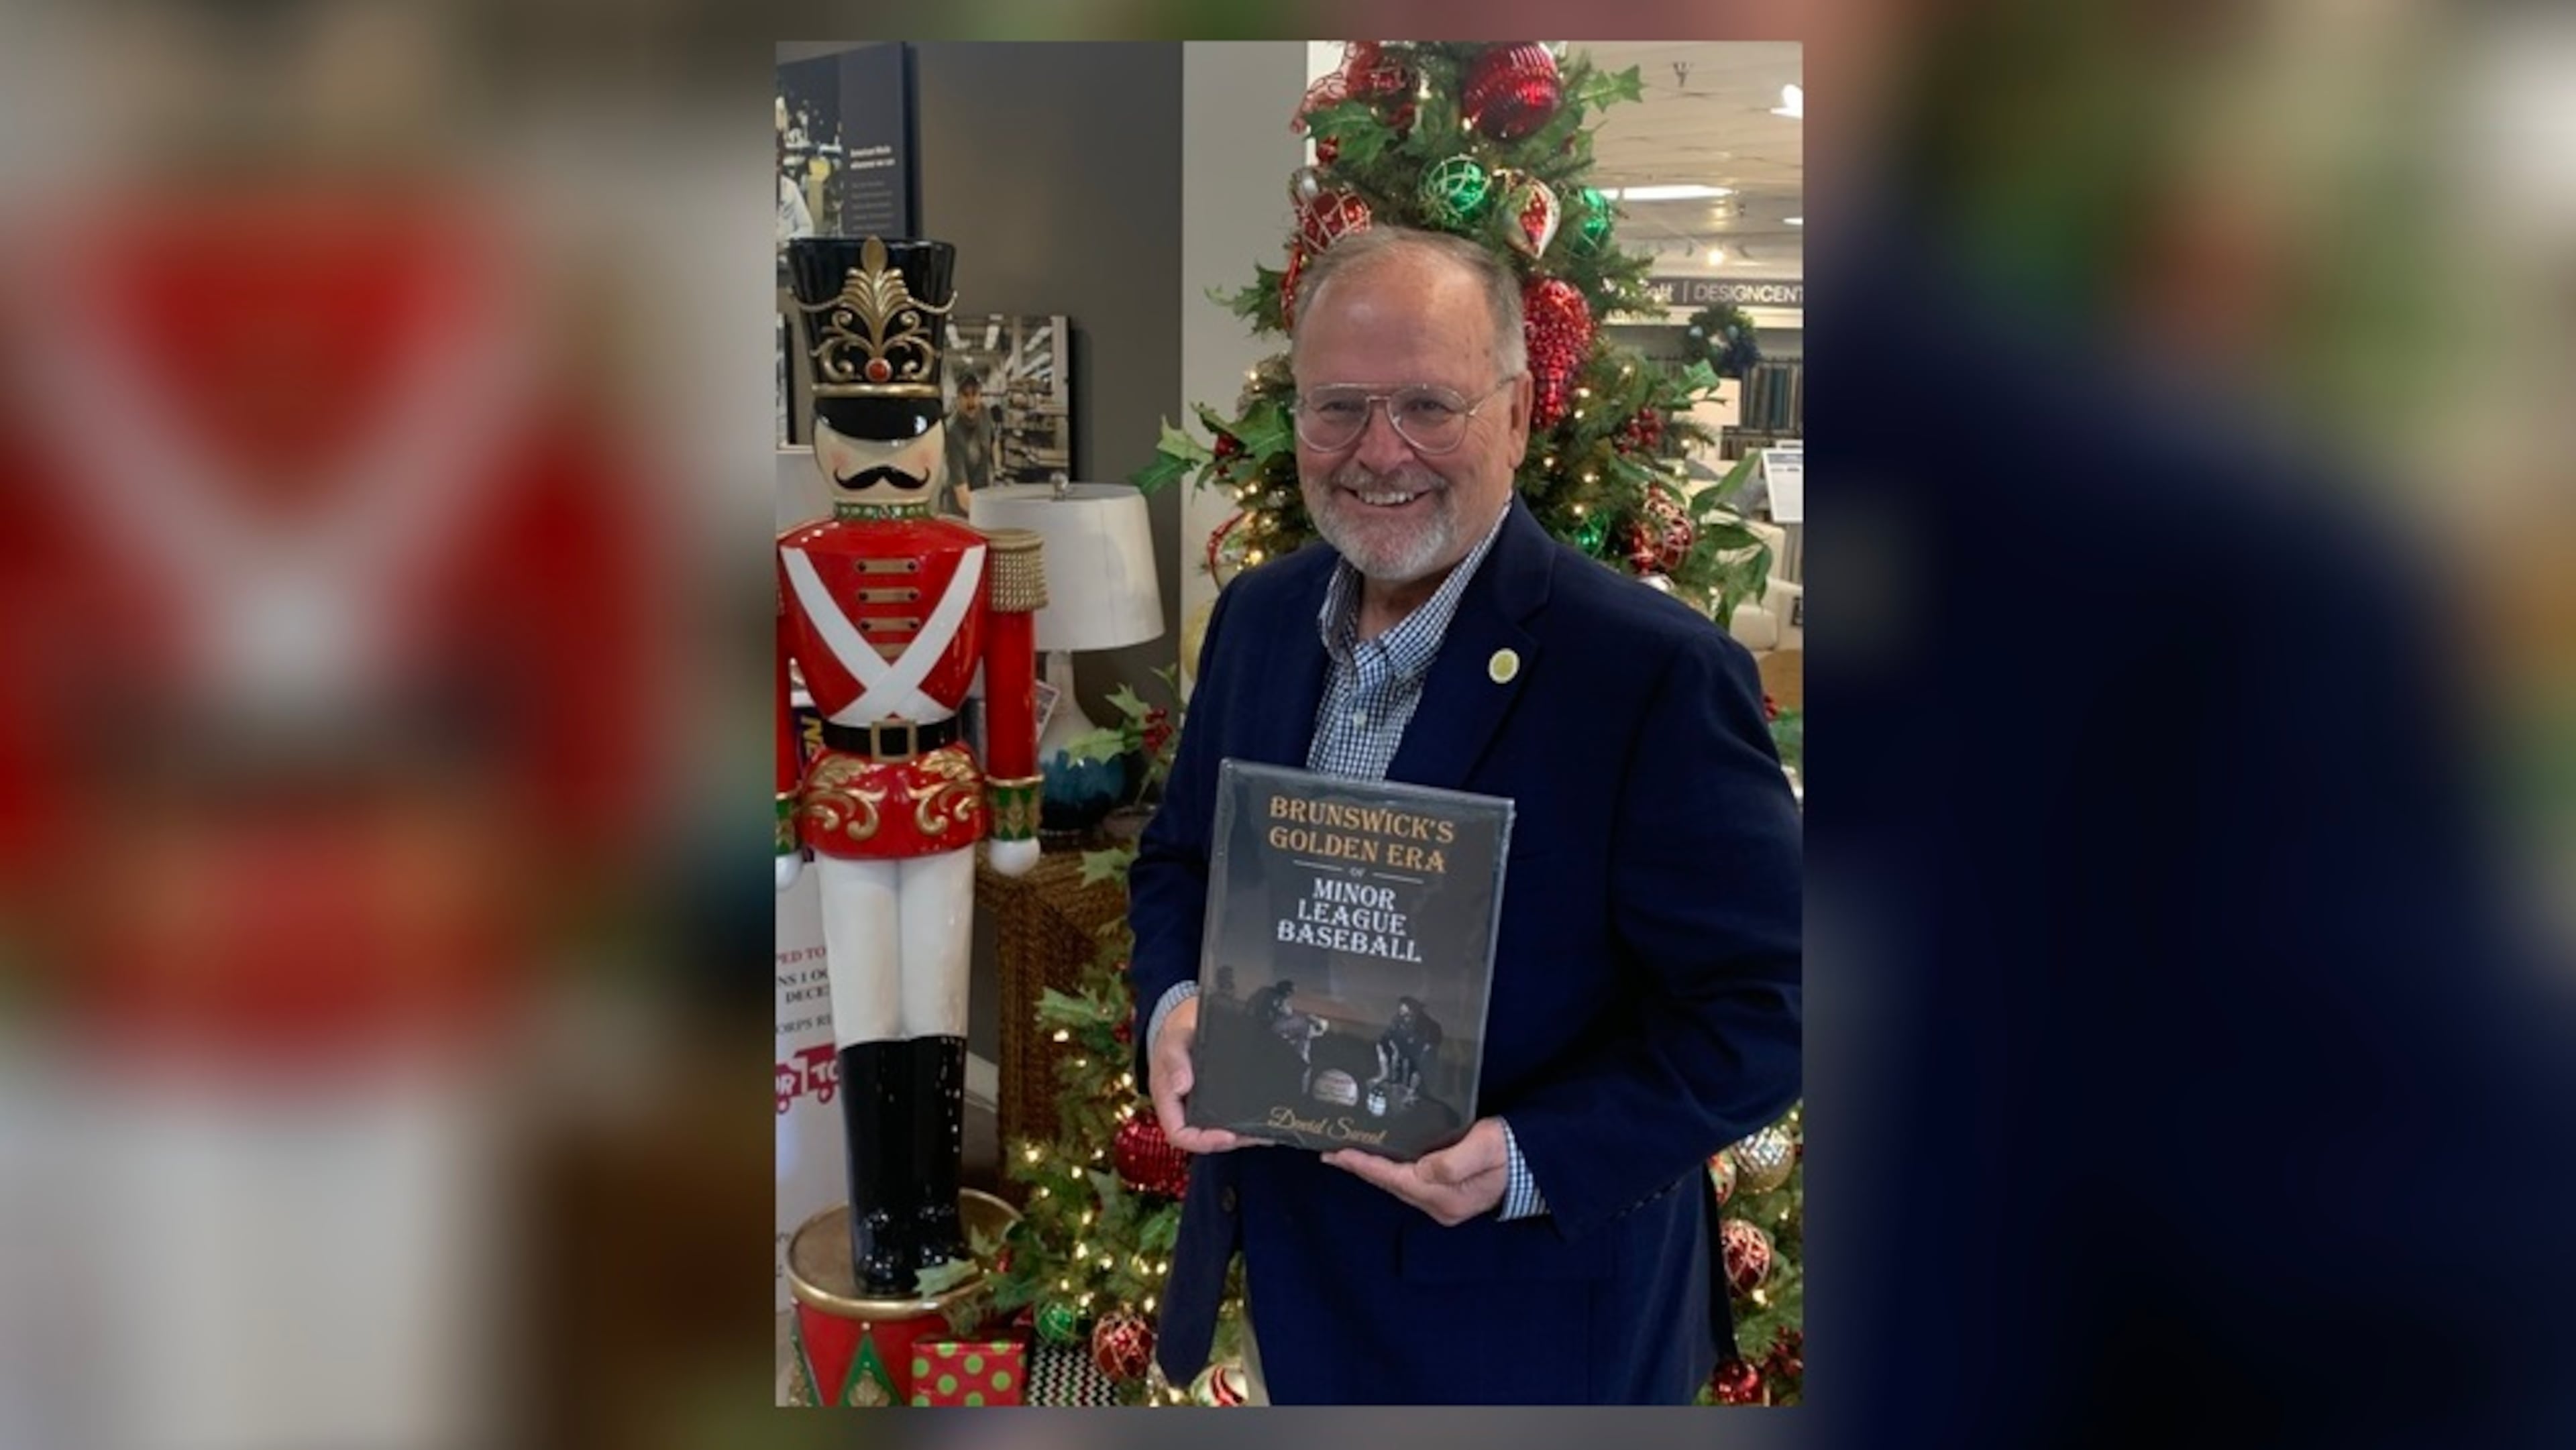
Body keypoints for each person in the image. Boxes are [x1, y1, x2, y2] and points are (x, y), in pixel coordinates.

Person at [1127, 227, 1803, 1404]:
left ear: (1519, 415)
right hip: (1294, 1272)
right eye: (1339, 406)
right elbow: (1181, 858)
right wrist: (1179, 1005)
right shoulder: (1261, 618)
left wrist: (1528, 1159)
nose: (1379, 452)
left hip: (1532, 1320)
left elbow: (1779, 1002)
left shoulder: (1647, 674)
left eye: (1431, 405)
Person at [775, 235, 1044, 1295]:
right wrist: (776, 809)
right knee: (865, 1009)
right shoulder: (790, 560)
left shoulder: (985, 557)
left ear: (939, 431)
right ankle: (880, 1211)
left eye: (905, 425)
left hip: (940, 799)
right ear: (823, 432)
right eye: (859, 424)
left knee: (938, 1008)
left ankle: (933, 1211)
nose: (885, 446)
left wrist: (1016, 812)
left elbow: (1008, 688)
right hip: (844, 801)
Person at [940, 370, 996, 515]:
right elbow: (963, 498)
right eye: (965, 395)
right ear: (958, 398)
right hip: (961, 511)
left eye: (975, 394)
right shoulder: (953, 433)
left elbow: (994, 442)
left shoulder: (985, 413)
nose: (971, 402)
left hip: (983, 498)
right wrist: (991, 515)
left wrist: (998, 471)